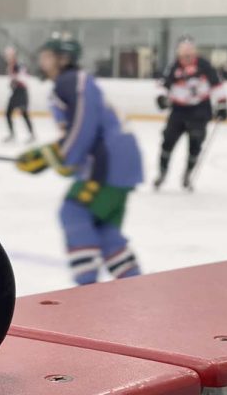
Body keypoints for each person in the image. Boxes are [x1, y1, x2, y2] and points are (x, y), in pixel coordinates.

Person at [16, 33, 144, 285]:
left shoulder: (71, 80)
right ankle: (135, 285)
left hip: (109, 162)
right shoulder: (72, 81)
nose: (41, 61)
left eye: (47, 56)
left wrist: (61, 156)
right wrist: (48, 157)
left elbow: (83, 126)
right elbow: (82, 131)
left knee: (73, 212)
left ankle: (85, 293)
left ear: (63, 59)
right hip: (118, 161)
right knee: (101, 227)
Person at [154, 37, 227, 190]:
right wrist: (161, 98)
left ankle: (188, 174)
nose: (187, 57)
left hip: (200, 109)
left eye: (190, 53)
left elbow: (217, 84)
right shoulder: (173, 66)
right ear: (179, 54)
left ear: (194, 53)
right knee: (167, 140)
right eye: (183, 53)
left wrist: (221, 104)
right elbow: (163, 84)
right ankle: (162, 173)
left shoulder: (204, 65)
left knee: (195, 142)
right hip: (179, 110)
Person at [4, 47, 35, 143]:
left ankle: (32, 135)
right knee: (8, 113)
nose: (7, 57)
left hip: (21, 91)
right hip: (15, 92)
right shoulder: (11, 66)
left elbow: (24, 77)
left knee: (23, 112)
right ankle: (12, 134)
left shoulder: (18, 65)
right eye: (7, 55)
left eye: (9, 55)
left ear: (14, 55)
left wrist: (16, 79)